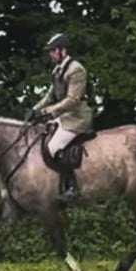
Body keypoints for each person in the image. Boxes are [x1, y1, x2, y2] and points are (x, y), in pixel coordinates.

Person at [27, 33, 94, 201]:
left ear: (62, 51)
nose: (50, 54)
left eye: (52, 51)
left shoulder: (76, 69)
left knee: (53, 147)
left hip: (76, 118)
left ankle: (71, 186)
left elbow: (72, 100)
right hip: (64, 116)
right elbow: (50, 96)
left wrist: (48, 112)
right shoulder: (58, 69)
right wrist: (35, 109)